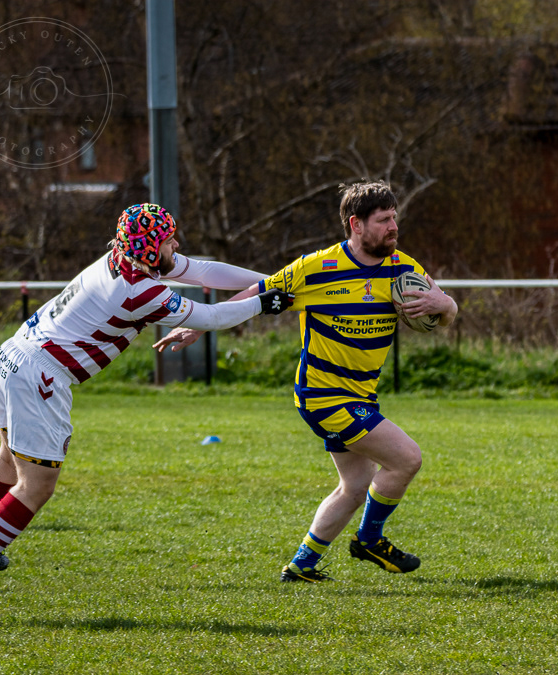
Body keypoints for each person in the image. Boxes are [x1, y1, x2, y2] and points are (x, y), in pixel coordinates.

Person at [0, 203, 292, 595]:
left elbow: (204, 270)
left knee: (9, 458)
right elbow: (211, 317)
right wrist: (266, 301)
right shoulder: (138, 291)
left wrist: (275, 279)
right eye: (167, 240)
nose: (175, 244)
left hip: (14, 352)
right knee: (37, 484)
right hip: (39, 373)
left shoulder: (124, 257)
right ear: (148, 247)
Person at [155, 182, 457, 582]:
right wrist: (200, 326)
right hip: (324, 396)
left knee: (355, 486)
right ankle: (369, 539)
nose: (393, 227)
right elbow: (255, 292)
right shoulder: (316, 268)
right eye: (383, 220)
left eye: (394, 218)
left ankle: (302, 565)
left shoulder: (404, 267)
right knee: (407, 459)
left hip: (361, 395)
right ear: (356, 224)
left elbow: (441, 313)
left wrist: (447, 305)